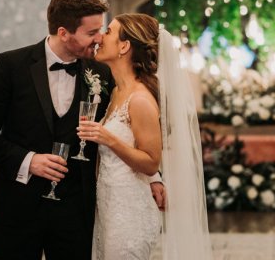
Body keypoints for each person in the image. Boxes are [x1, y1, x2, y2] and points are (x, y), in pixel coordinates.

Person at [0, 0, 164, 260]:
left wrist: (152, 177)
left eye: (102, 31)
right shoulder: (12, 65)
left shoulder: (102, 72)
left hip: (76, 208)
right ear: (63, 32)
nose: (99, 39)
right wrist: (29, 161)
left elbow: (129, 125)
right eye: (92, 32)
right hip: (17, 205)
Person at [78, 13, 212, 259]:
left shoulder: (139, 100)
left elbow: (151, 162)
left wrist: (108, 139)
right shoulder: (117, 91)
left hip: (129, 213)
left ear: (124, 46)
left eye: (108, 32)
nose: (100, 38)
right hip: (108, 206)